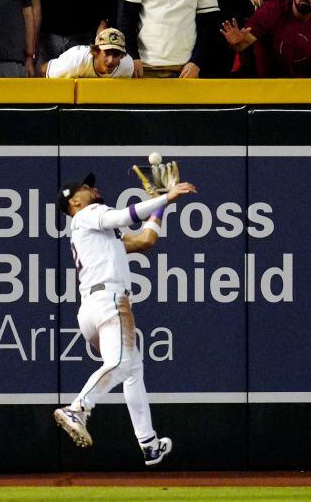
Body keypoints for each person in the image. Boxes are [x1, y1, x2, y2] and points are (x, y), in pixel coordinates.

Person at [52, 172, 197, 466]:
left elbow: (146, 239)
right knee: (120, 364)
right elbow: (123, 216)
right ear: (75, 201)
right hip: (109, 302)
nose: (94, 188)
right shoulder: (89, 214)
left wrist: (160, 206)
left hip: (91, 309)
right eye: (86, 188)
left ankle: (149, 444)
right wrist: (165, 196)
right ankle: (78, 408)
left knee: (131, 368)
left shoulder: (97, 234)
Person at [44, 26, 134, 78]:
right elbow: (44, 70)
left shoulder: (127, 66)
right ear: (96, 51)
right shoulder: (76, 60)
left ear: (122, 56)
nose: (110, 60)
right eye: (107, 53)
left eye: (116, 55)